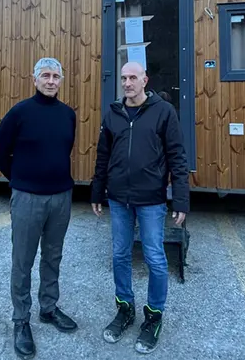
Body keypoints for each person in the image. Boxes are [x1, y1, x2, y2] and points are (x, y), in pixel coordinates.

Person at [90, 61, 190, 355]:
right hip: (119, 199)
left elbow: (177, 157)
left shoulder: (163, 112)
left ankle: (154, 317)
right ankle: (124, 309)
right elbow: (102, 156)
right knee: (120, 254)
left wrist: (180, 198)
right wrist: (97, 191)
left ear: (145, 80)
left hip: (151, 200)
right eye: (123, 78)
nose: (127, 82)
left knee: (155, 259)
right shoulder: (113, 113)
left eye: (133, 77)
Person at [0, 57, 78, 359]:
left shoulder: (69, 115)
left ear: (61, 80)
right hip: (28, 198)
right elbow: (0, 154)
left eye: (56, 76)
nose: (51, 81)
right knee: (23, 261)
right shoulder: (19, 113)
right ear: (35, 79)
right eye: (46, 75)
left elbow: (63, 150)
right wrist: (20, 180)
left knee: (53, 257)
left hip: (61, 197)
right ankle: (21, 321)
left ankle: (49, 308)